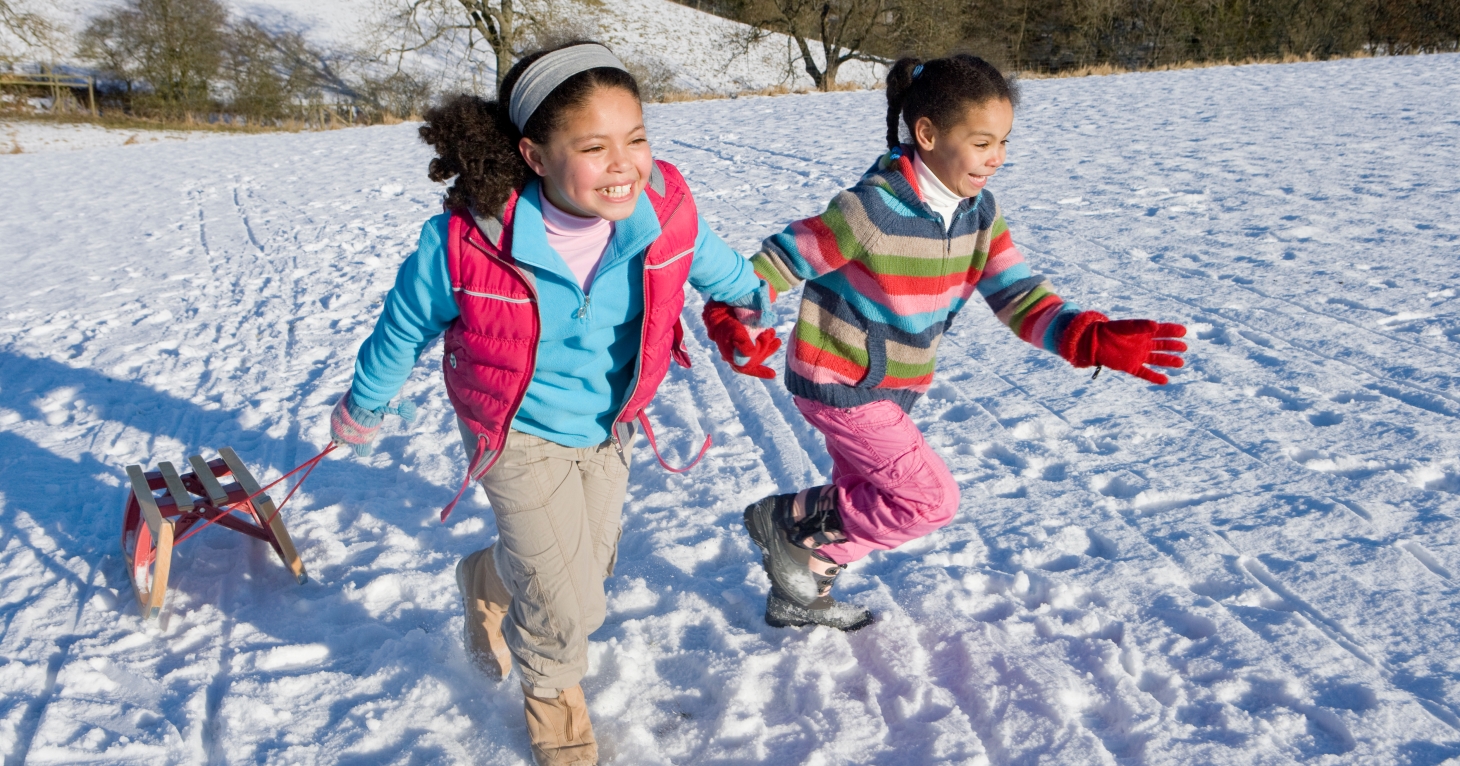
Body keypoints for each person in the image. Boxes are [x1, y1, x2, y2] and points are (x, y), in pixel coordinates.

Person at [328, 41, 769, 766]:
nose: (624, 164)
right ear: (535, 156)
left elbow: (705, 255)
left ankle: (486, 576)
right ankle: (555, 708)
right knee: (568, 605)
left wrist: (748, 297)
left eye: (635, 139)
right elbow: (403, 326)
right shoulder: (468, 243)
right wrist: (364, 406)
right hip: (515, 430)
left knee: (587, 576)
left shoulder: (663, 208)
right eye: (594, 148)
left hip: (610, 423)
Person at [701, 54, 1188, 632]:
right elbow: (784, 259)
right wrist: (734, 314)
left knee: (868, 493)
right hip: (840, 381)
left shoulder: (979, 215)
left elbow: (1019, 297)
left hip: (893, 387)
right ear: (928, 134)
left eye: (1003, 142)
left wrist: (1088, 338)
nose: (996, 157)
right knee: (927, 500)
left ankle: (799, 589)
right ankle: (787, 521)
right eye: (982, 142)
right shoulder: (871, 209)